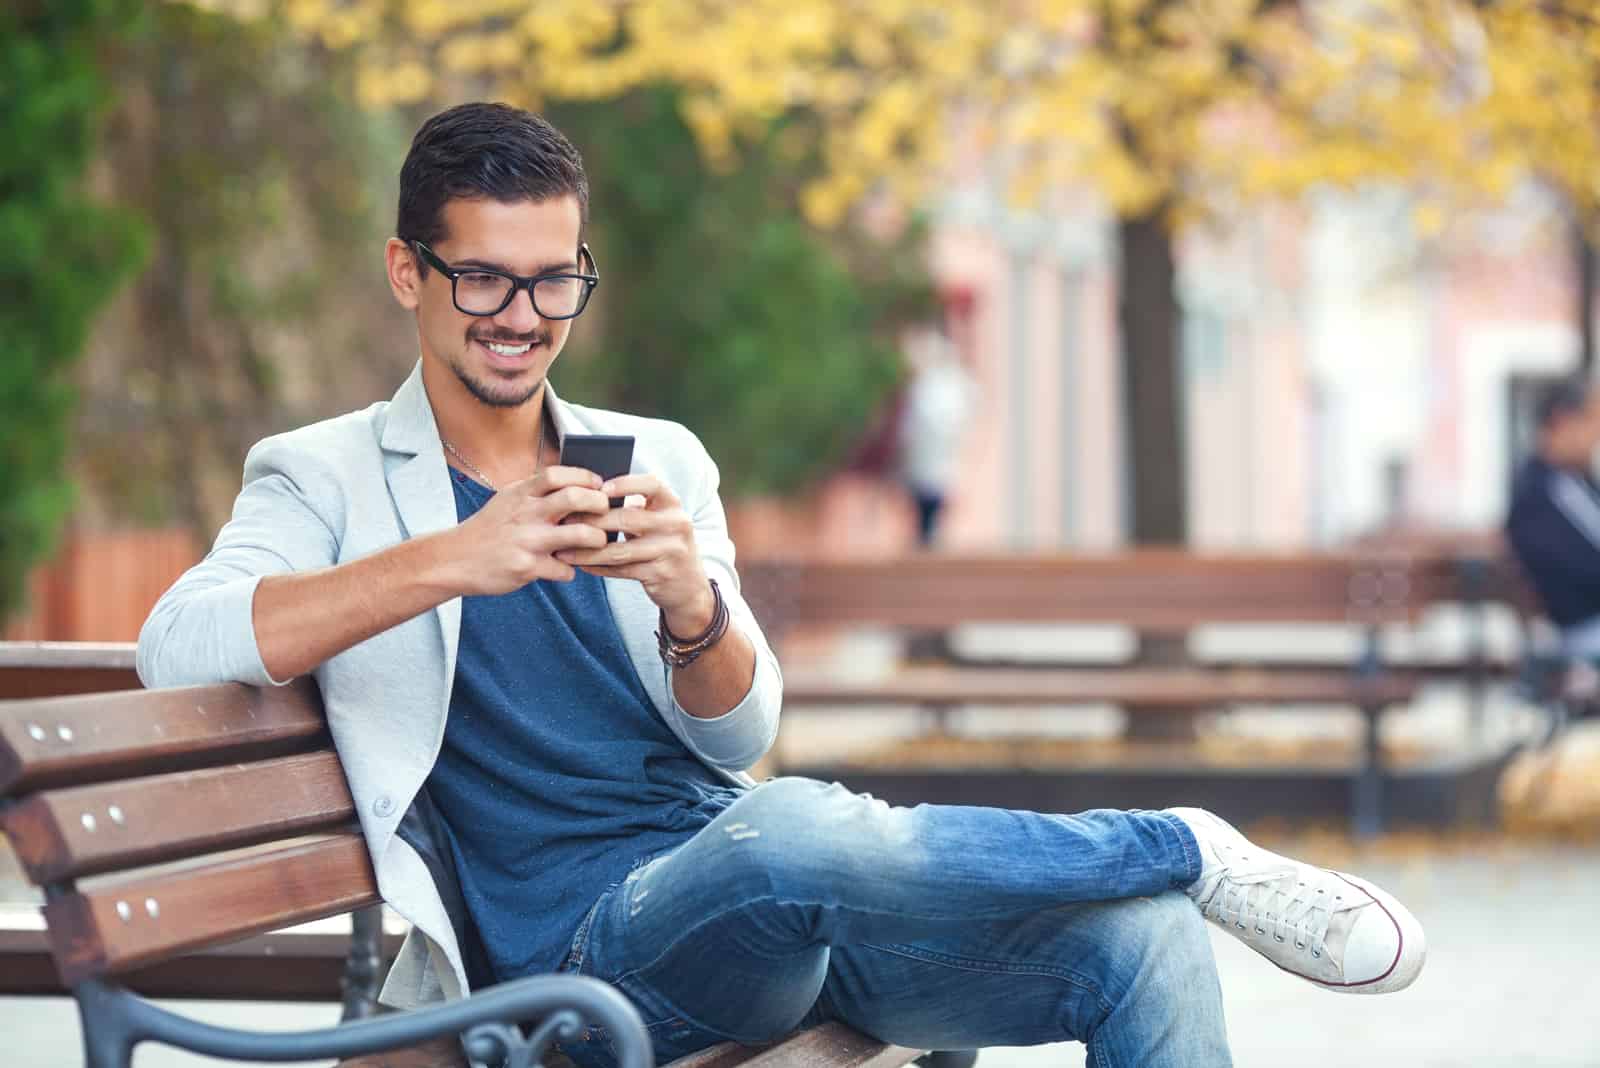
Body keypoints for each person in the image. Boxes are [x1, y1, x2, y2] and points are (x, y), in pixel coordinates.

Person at [138, 103, 1425, 1068]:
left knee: (1142, 944)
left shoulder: (655, 458)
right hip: (576, 963)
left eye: (554, 279)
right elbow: (178, 645)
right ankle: (1180, 842)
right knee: (792, 828)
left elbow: (737, 734)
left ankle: (1173, 876)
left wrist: (693, 609)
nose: (522, 315)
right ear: (406, 271)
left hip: (765, 910)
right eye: (482, 276)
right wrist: (448, 561)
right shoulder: (323, 475)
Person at [1506, 377, 1600, 658]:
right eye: (1593, 420)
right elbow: (1574, 575)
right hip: (1584, 633)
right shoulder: (1533, 498)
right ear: (1563, 421)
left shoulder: (1581, 484)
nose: (1597, 433)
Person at [897, 326, 976, 547]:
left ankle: (928, 534)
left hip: (936, 456)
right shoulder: (932, 383)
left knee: (931, 497)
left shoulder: (941, 384)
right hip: (927, 457)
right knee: (925, 497)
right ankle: (926, 534)